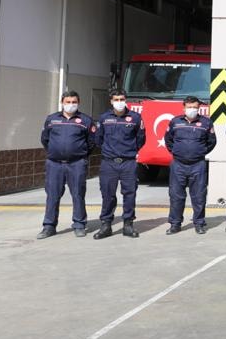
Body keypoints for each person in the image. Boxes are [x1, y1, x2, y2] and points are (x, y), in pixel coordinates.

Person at [37, 91, 95, 239]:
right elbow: (45, 140)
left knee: (78, 194)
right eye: (67, 102)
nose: (70, 105)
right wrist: (55, 153)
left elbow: (92, 142)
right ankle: (49, 226)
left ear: (78, 103)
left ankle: (79, 224)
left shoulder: (85, 120)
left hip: (76, 164)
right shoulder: (52, 119)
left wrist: (80, 155)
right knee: (52, 196)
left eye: (73, 102)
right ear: (62, 102)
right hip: (54, 164)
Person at [93, 89, 146, 239]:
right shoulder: (104, 118)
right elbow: (98, 139)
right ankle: (106, 225)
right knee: (107, 194)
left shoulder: (135, 118)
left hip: (128, 162)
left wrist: (129, 151)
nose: (119, 102)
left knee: (129, 194)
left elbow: (141, 138)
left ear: (126, 100)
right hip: (109, 163)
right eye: (116, 99)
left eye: (122, 99)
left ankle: (128, 224)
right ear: (111, 101)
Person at [164, 95, 217, 235]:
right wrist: (176, 152)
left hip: (198, 164)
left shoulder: (206, 123)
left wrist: (200, 152)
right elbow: (168, 140)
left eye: (195, 107)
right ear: (184, 108)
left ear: (199, 108)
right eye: (189, 107)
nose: (192, 110)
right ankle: (175, 224)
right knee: (176, 195)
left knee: (199, 196)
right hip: (178, 164)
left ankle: (199, 223)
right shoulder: (175, 122)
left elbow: (212, 142)